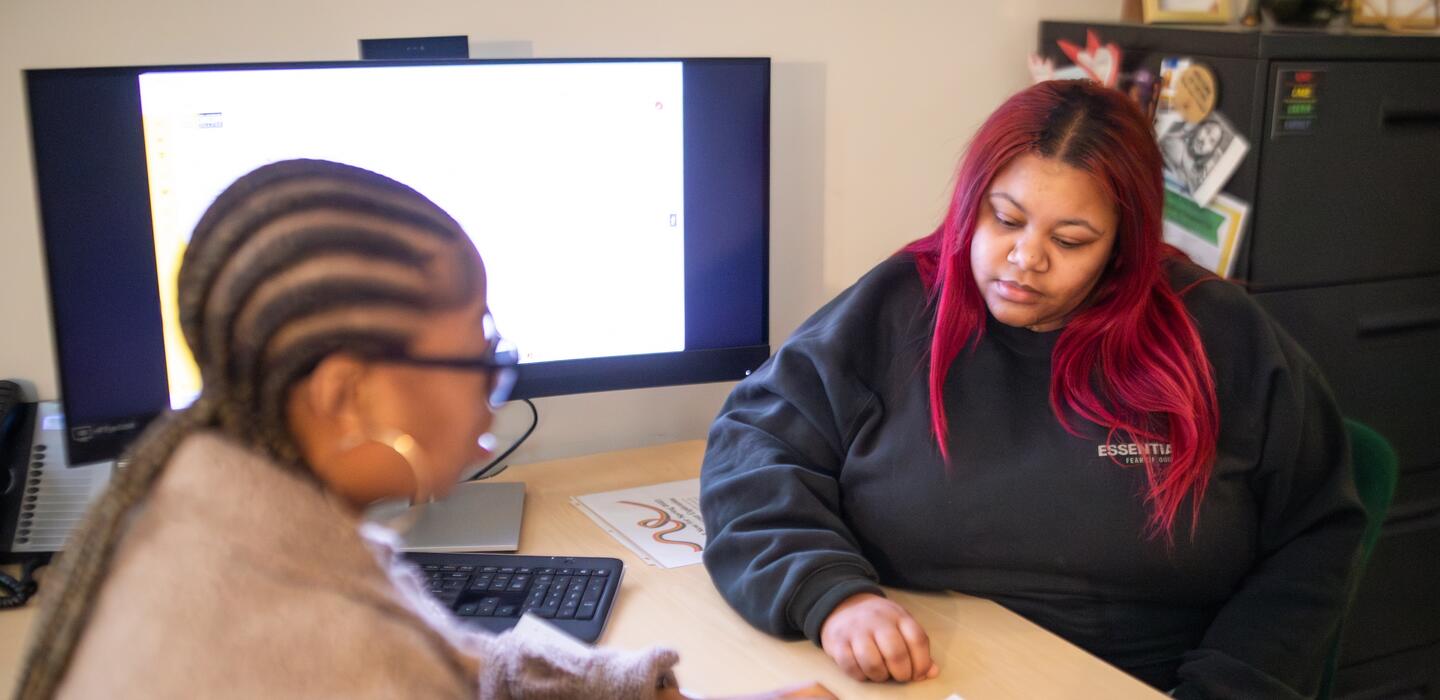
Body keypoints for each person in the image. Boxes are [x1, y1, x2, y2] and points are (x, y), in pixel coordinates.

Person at [15, 159, 832, 700]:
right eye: (477, 351)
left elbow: (456, 662)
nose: (496, 388)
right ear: (346, 395)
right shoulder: (319, 648)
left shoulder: (204, 487)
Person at [700, 81, 1366, 699]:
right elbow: (754, 447)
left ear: (1122, 248)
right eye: (1005, 219)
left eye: (1071, 239)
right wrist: (833, 596)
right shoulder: (900, 307)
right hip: (918, 679)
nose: (1026, 259)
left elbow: (1315, 539)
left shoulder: (1220, 340)